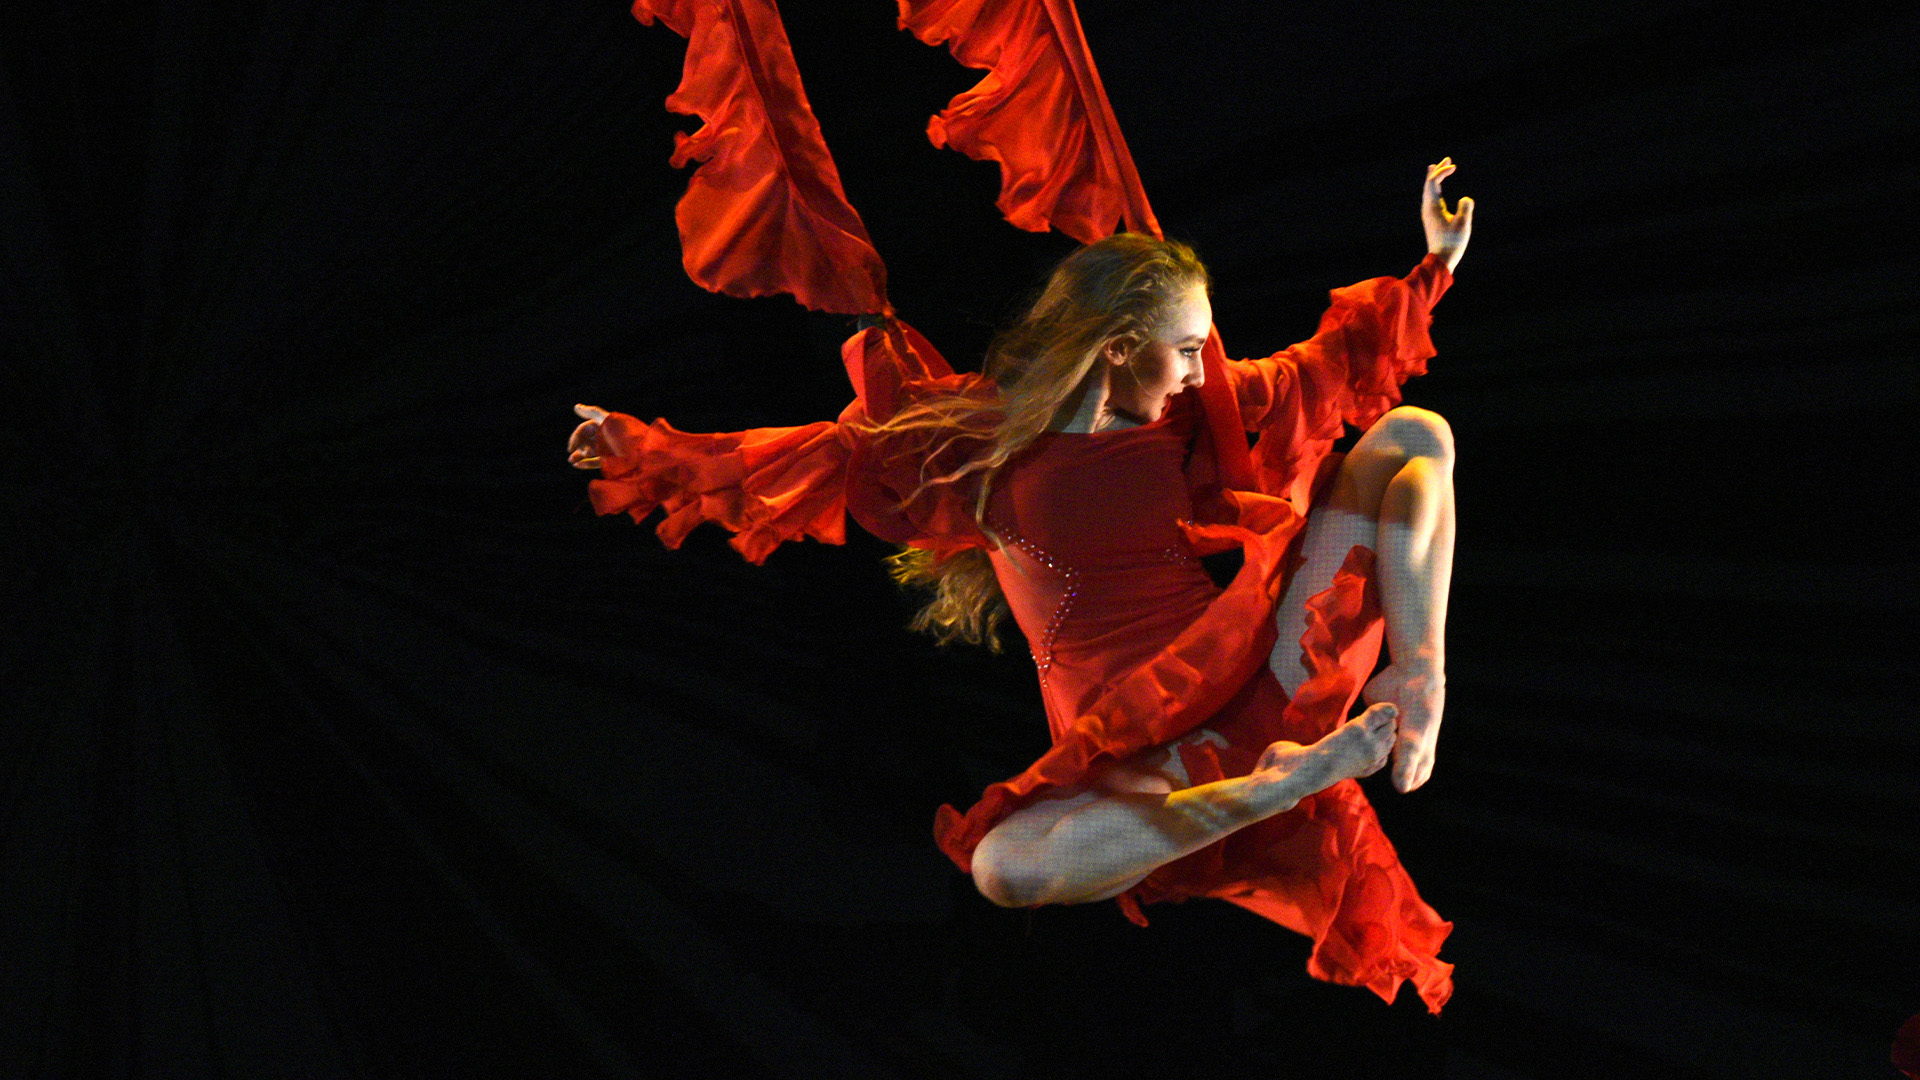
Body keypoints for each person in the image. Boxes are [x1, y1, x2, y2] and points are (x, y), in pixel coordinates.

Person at [570, 159, 1473, 1012]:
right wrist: (645, 452)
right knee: (1002, 868)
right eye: (1188, 348)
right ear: (1121, 347)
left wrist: (1432, 265)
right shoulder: (978, 444)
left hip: (1264, 675)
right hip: (1150, 776)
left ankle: (1420, 683)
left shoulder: (1189, 413)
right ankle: (1291, 782)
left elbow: (1328, 363)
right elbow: (809, 454)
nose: (1204, 370)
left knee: (1417, 435)